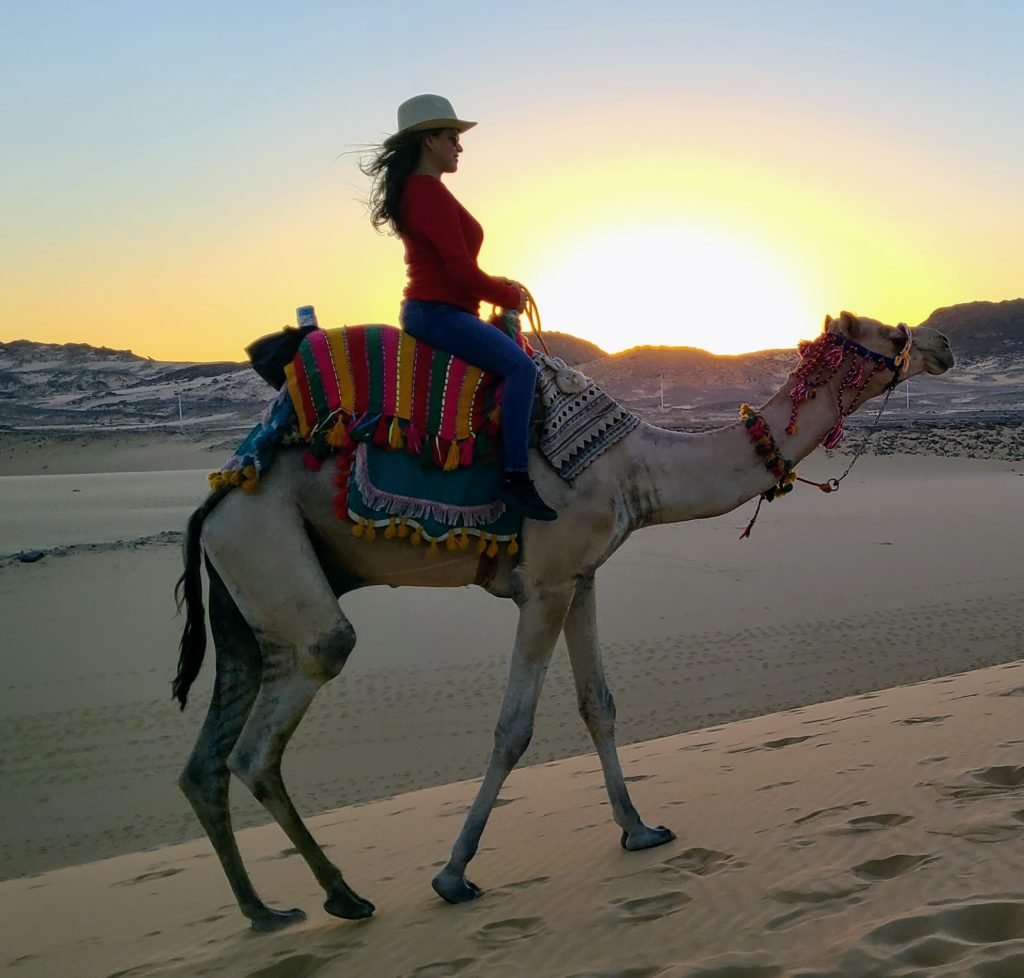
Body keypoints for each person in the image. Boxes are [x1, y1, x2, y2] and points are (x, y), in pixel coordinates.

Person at [362, 94, 557, 522]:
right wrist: (507, 296)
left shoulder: (423, 191)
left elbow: (458, 270)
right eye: (452, 137)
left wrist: (494, 285)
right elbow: (459, 271)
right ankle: (514, 475)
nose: (459, 146)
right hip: (437, 312)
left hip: (443, 309)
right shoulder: (426, 192)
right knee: (522, 369)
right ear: (428, 140)